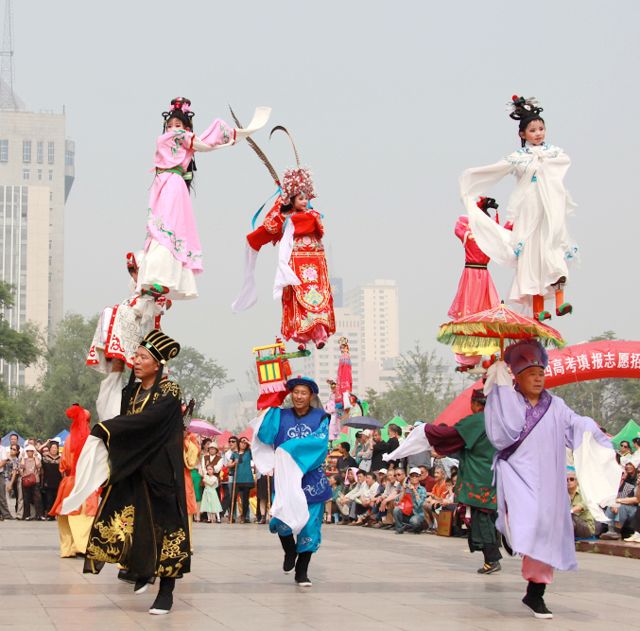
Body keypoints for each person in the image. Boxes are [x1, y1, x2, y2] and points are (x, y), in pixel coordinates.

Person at [482, 338, 619, 619]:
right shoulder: (510, 403)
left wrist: (590, 429)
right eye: (531, 374)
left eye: (541, 374)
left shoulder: (556, 405)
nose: (537, 379)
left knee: (547, 529)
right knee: (529, 521)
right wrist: (500, 388)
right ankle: (512, 536)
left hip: (548, 482)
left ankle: (535, 593)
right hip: (518, 475)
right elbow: (502, 432)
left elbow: (574, 426)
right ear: (517, 378)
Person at [61, 330, 189, 615]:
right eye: (137, 356)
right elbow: (120, 415)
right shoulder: (131, 392)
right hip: (134, 469)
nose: (137, 361)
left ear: (158, 364)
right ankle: (140, 570)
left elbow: (148, 421)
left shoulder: (169, 392)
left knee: (167, 530)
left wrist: (110, 429)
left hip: (160, 473)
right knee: (133, 523)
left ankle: (166, 592)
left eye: (143, 357)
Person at [460, 95, 578, 321]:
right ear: (522, 134)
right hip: (529, 210)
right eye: (533, 130)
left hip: (550, 210)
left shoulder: (554, 154)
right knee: (532, 256)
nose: (538, 133)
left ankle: (561, 302)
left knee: (552, 251)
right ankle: (538, 309)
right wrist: (470, 182)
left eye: (541, 129)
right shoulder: (518, 158)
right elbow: (495, 170)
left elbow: (561, 166)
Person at [138, 97, 268, 301]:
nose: (173, 129)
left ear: (186, 128)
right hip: (163, 184)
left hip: (172, 183)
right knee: (158, 229)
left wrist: (227, 139)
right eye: (170, 125)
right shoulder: (172, 139)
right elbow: (202, 145)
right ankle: (153, 278)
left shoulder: (181, 137)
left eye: (178, 125)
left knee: (165, 228)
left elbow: (202, 145)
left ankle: (160, 277)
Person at [232, 133, 336, 350]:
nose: (305, 201)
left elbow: (318, 228)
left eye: (306, 197)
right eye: (300, 198)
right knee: (297, 296)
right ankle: (302, 336)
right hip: (296, 260)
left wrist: (291, 215)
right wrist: (283, 211)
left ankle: (319, 332)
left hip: (315, 263)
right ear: (292, 199)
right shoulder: (285, 218)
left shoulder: (313, 215)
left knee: (317, 295)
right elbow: (270, 227)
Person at [251, 376, 331, 586]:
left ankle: (302, 572)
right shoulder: (280, 414)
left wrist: (289, 450)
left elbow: (320, 444)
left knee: (309, 526)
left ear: (311, 395)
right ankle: (289, 550)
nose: (299, 397)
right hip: (286, 479)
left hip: (311, 480)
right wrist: (268, 406)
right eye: (295, 392)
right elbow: (265, 435)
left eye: (303, 393)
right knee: (280, 520)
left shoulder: (321, 417)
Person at [87, 252, 171, 421]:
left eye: (137, 270)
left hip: (150, 341)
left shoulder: (155, 295)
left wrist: (154, 292)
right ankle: (111, 416)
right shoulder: (131, 299)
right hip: (133, 340)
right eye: (132, 271)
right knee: (111, 314)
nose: (134, 274)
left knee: (153, 381)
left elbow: (164, 304)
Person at [449, 197, 503, 370]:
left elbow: (459, 226)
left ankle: (483, 353)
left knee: (483, 313)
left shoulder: (483, 233)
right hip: (474, 274)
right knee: (471, 314)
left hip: (479, 273)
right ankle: (469, 356)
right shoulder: (478, 233)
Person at [49, 405, 100, 557]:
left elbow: (63, 464)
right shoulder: (91, 439)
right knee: (83, 514)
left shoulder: (70, 439)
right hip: (84, 482)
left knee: (67, 515)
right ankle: (82, 546)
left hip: (69, 481)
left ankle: (68, 548)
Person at [600, 462, 638, 540]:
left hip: (635, 510)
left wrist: (617, 501)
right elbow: (613, 495)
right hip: (622, 505)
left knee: (621, 507)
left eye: (622, 474)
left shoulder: (633, 484)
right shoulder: (620, 482)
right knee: (611, 504)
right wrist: (620, 481)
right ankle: (610, 531)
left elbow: (635, 500)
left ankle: (616, 532)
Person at [393, 468, 427, 534]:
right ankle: (400, 528)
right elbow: (397, 502)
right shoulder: (406, 488)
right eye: (412, 476)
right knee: (396, 509)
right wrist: (403, 491)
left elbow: (420, 504)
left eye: (416, 476)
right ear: (409, 477)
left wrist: (414, 491)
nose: (414, 477)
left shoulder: (422, 489)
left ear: (419, 477)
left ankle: (417, 527)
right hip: (406, 512)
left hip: (417, 514)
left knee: (414, 521)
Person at [229, 437, 254, 523]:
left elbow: (254, 448)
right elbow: (229, 464)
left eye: (245, 443)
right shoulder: (234, 453)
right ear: (238, 443)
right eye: (242, 442)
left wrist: (248, 442)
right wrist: (233, 463)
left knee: (245, 499)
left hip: (247, 479)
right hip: (237, 479)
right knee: (233, 497)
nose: (243, 444)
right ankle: (231, 516)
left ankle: (244, 516)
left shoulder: (249, 452)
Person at [567, 467, 595, 539]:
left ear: (577, 481)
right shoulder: (563, 494)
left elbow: (580, 506)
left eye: (572, 479)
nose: (569, 481)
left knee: (569, 516)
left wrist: (569, 511)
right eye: (566, 480)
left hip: (586, 528)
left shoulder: (585, 493)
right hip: (572, 525)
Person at [19, 444, 43, 520]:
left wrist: (35, 456)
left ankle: (38, 515)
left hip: (35, 481)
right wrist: (23, 456)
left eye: (31, 451)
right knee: (26, 498)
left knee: (37, 498)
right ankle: (27, 515)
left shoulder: (36, 459)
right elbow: (22, 466)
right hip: (26, 481)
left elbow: (38, 466)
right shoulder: (24, 460)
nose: (29, 452)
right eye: (28, 451)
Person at [41, 441, 62, 518]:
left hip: (58, 481)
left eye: (55, 448)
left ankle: (55, 514)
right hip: (48, 481)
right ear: (49, 449)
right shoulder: (45, 459)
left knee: (56, 498)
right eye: (52, 448)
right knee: (48, 499)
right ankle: (49, 514)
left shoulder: (61, 459)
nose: (54, 449)